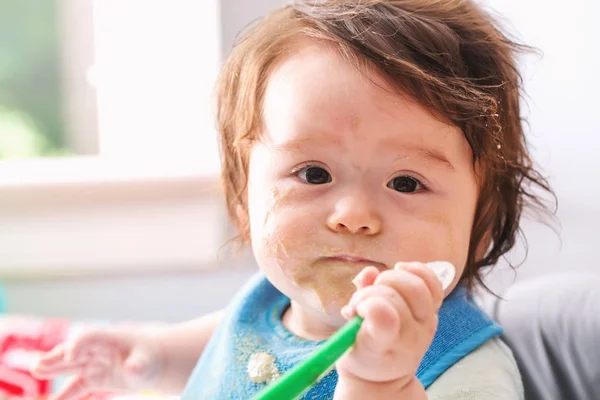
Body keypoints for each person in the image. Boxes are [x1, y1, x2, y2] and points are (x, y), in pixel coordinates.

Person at [32, 1, 554, 398]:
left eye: (406, 183)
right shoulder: (270, 303)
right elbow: (230, 346)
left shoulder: (468, 368)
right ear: (244, 199)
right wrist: (145, 353)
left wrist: (381, 383)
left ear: (482, 221)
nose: (353, 216)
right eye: (313, 173)